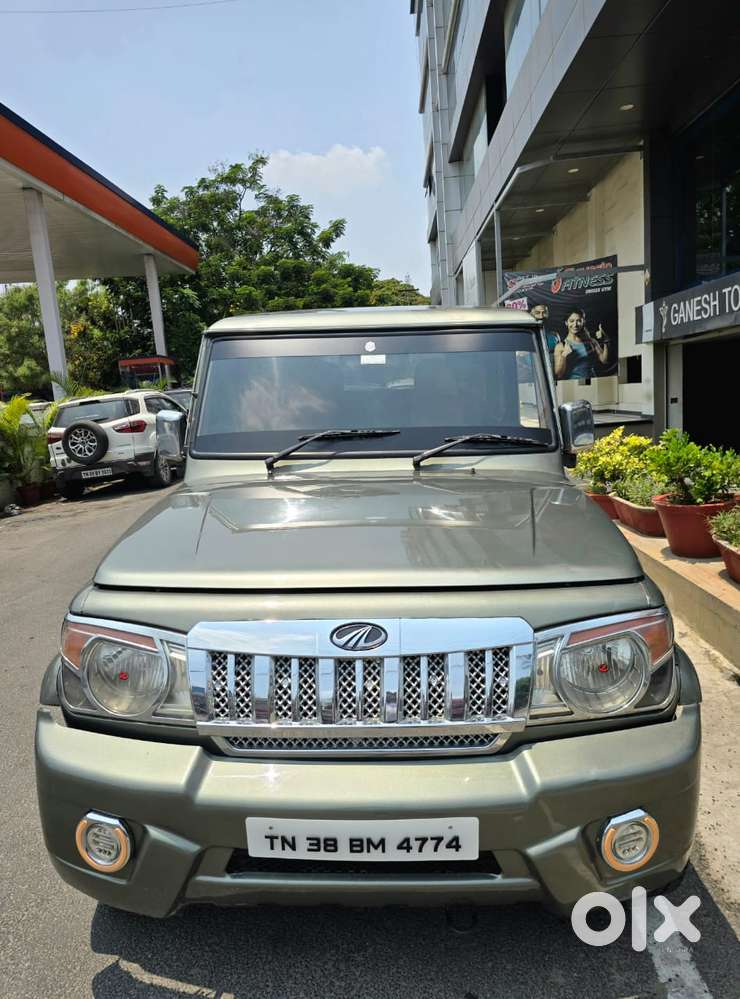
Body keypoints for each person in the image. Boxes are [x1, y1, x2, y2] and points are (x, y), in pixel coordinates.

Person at [553, 308, 610, 380]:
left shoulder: (591, 341)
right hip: (574, 386)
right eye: (571, 321)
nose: (575, 324)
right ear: (566, 323)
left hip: (593, 383)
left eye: (579, 321)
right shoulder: (561, 346)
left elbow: (604, 360)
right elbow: (558, 375)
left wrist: (605, 340)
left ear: (583, 322)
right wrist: (564, 355)